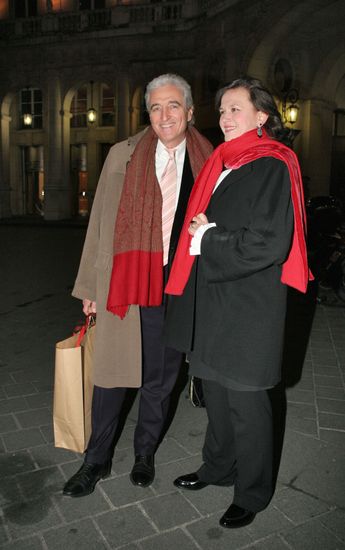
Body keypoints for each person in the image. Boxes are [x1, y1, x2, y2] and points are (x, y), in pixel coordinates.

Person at [164, 76, 313, 528]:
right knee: (217, 396)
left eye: (236, 109)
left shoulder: (272, 164)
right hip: (214, 303)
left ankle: (252, 491)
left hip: (249, 309)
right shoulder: (226, 163)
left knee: (248, 407)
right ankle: (217, 467)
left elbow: (267, 244)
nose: (225, 118)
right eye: (223, 110)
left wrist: (208, 237)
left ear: (262, 116)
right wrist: (206, 232)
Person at [62, 74, 213, 498]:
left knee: (161, 379)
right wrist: (90, 285)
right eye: (155, 108)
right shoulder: (122, 155)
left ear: (189, 112)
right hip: (124, 284)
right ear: (147, 113)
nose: (164, 116)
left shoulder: (210, 160)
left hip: (178, 287)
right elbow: (99, 225)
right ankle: (96, 459)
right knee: (110, 377)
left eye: (172, 106)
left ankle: (144, 451)